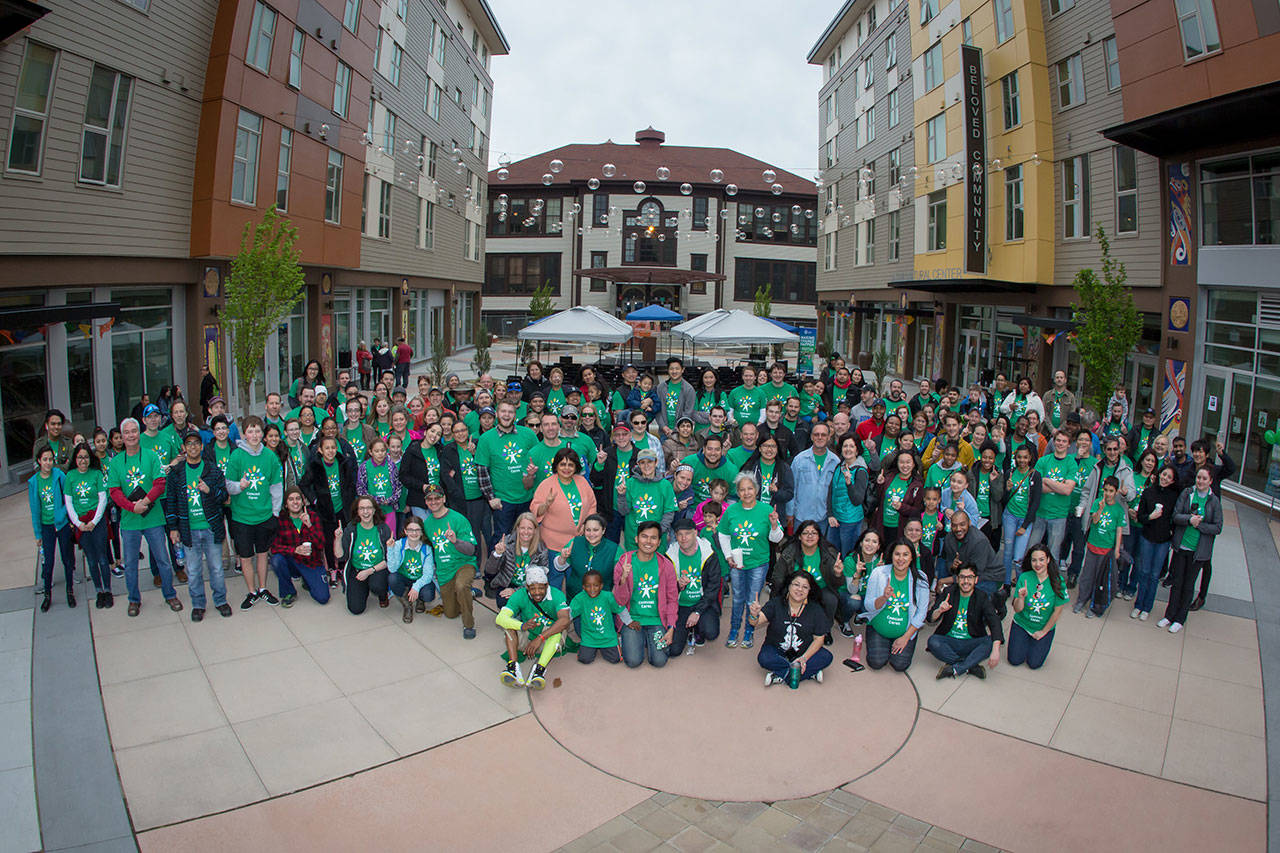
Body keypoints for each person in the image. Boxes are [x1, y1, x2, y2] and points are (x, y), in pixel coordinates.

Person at [108, 418, 180, 617]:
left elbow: (159, 483)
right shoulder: (115, 462)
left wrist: (145, 503)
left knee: (163, 560)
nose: (131, 435)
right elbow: (114, 491)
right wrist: (132, 506)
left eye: (134, 431)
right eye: (127, 432)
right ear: (121, 437)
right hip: (130, 521)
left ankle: (170, 594)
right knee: (131, 564)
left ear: (139, 433)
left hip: (153, 518)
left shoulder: (151, 456)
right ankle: (133, 599)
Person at [163, 432, 231, 620]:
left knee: (216, 568)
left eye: (196, 444)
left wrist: (209, 491)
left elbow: (224, 496)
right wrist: (173, 528)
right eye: (189, 444)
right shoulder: (177, 473)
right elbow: (171, 502)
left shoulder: (213, 470)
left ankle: (220, 601)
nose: (193, 447)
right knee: (193, 571)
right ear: (184, 448)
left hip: (211, 528)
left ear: (202, 447)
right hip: (189, 530)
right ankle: (199, 604)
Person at [719, 472, 785, 648]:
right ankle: (734, 630)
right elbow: (723, 534)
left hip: (758, 562)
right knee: (737, 597)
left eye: (750, 489)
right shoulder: (732, 510)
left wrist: (773, 524)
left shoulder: (767, 510)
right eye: (742, 490)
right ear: (737, 492)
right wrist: (728, 556)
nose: (746, 493)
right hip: (737, 564)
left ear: (756, 490)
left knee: (752, 600)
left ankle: (749, 631)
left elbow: (777, 538)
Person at [225, 416, 284, 609]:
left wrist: (275, 512)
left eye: (258, 431)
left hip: (264, 516)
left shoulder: (270, 456)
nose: (254, 435)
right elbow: (228, 485)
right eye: (250, 431)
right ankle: (251, 591)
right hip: (242, 517)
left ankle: (262, 588)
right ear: (244, 434)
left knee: (262, 554)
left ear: (263, 434)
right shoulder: (236, 456)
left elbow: (276, 486)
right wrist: (239, 486)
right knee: (245, 556)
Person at [1159, 467, 1222, 634]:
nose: (1200, 481)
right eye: (1198, 478)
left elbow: (1217, 527)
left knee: (1188, 585)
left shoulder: (1214, 501)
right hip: (1182, 546)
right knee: (1176, 582)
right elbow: (1176, 515)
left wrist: (1200, 525)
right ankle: (1169, 615)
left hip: (1198, 552)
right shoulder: (1187, 494)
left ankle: (1180, 618)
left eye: (1204, 478)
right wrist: (1189, 520)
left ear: (1210, 481)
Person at [612, 520, 680, 668]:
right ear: (636, 539)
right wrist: (623, 579)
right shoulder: (624, 562)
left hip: (656, 619)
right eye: (644, 536)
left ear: (659, 542)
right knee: (633, 661)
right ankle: (631, 638)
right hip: (632, 619)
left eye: (653, 537)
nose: (648, 541)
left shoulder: (666, 565)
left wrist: (671, 627)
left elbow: (672, 600)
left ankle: (643, 639)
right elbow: (618, 601)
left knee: (659, 661)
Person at [749, 571, 833, 687]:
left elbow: (819, 639)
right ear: (789, 585)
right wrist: (753, 614)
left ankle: (780, 675)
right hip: (777, 650)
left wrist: (803, 658)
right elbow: (755, 622)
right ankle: (805, 673)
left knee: (826, 657)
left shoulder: (815, 609)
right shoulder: (776, 603)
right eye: (796, 585)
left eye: (805, 587)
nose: (800, 590)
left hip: (804, 651)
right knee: (764, 658)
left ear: (809, 590)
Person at [496, 565, 570, 688]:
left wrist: (540, 638)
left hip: (548, 640)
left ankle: (539, 671)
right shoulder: (520, 594)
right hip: (528, 636)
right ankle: (513, 668)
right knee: (508, 626)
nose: (537, 593)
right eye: (532, 589)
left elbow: (564, 620)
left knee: (558, 630)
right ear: (527, 587)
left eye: (541, 588)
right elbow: (500, 618)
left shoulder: (557, 595)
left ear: (547, 585)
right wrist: (522, 625)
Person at [421, 483, 480, 638]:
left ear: (444, 498)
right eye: (429, 499)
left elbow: (472, 550)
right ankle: (469, 593)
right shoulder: (427, 524)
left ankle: (469, 625)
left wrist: (455, 541)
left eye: (437, 498)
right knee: (451, 613)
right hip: (444, 570)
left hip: (463, 563)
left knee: (461, 586)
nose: (433, 501)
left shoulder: (458, 519)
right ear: (426, 502)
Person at [862, 540, 930, 672]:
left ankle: (900, 641)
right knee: (876, 663)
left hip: (905, 631)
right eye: (897, 554)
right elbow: (868, 605)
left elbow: (921, 613)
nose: (900, 559)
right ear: (891, 556)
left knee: (900, 665)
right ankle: (880, 639)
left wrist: (905, 638)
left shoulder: (921, 578)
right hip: (879, 628)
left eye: (905, 555)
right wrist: (883, 598)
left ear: (911, 558)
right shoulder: (879, 573)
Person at [926, 563, 1003, 679]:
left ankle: (956, 668)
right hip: (949, 640)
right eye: (962, 577)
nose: (965, 581)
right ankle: (969, 665)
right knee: (933, 641)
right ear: (957, 579)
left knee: (990, 642)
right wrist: (939, 611)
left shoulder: (981, 596)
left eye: (970, 577)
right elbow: (930, 618)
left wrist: (996, 650)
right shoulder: (948, 592)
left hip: (971, 641)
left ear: (976, 580)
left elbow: (994, 621)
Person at [475, 400, 539, 541]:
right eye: (503, 411)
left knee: (527, 537)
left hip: (527, 498)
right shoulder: (486, 439)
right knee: (502, 538)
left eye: (510, 412)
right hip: (503, 501)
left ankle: (524, 564)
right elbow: (482, 471)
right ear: (497, 414)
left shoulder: (528, 434)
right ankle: (497, 563)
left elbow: (537, 461)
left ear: (515, 415)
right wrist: (491, 497)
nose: (506, 415)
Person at [299, 436, 357, 587]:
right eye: (327, 448)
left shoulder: (344, 463)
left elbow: (351, 483)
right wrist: (315, 500)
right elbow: (304, 484)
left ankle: (344, 567)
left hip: (342, 509)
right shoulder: (315, 466)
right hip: (325, 510)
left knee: (344, 538)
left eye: (333, 447)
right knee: (328, 540)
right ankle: (332, 569)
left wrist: (349, 499)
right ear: (320, 450)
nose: (330, 451)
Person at [771, 520, 848, 630]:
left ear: (819, 536)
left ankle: (824, 630)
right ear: (799, 537)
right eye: (805, 533)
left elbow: (838, 584)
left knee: (831, 599)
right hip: (796, 588)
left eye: (814, 533)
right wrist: (779, 595)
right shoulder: (789, 552)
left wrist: (837, 573)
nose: (810, 536)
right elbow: (778, 577)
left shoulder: (828, 553)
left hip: (820, 588)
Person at [64, 443, 112, 607]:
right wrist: (78, 524)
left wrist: (93, 522)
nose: (82, 460)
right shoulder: (70, 476)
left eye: (85, 457)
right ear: (75, 459)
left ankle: (108, 591)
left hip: (96, 522)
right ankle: (99, 591)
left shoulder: (97, 474)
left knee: (103, 559)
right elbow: (68, 503)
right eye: (79, 457)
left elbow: (102, 499)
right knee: (91, 560)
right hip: (81, 524)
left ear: (90, 458)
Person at [1007, 544, 1069, 669]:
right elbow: (1017, 609)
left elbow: (1057, 612)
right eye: (1034, 560)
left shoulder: (1058, 581)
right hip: (1022, 624)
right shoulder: (1024, 577)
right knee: (1014, 660)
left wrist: (1043, 632)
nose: (1037, 564)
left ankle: (1035, 642)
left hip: (1043, 627)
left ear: (1048, 560)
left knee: (1034, 664)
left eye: (1041, 559)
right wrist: (1021, 597)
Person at [666, 518, 722, 655]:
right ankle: (687, 630)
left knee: (711, 632)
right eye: (679, 534)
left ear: (695, 533)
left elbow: (713, 587)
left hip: (703, 603)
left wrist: (697, 612)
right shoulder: (669, 556)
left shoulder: (709, 554)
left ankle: (697, 629)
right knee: (673, 651)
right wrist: (677, 586)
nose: (683, 538)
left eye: (688, 533)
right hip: (680, 605)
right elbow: (664, 587)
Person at [268, 487, 331, 608]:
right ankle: (289, 592)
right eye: (291, 499)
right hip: (292, 560)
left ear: (303, 502)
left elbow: (321, 544)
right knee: (276, 560)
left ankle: (307, 580)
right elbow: (274, 547)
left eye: (298, 499)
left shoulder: (312, 517)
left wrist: (309, 525)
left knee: (323, 598)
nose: (295, 502)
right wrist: (294, 550)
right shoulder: (281, 519)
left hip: (311, 562)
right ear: (286, 504)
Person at [30, 446, 75, 612]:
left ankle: (69, 591)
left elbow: (68, 499)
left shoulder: (59, 476)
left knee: (67, 559)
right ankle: (47, 595)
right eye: (45, 459)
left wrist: (63, 516)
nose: (48, 463)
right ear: (39, 461)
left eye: (50, 459)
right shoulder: (34, 482)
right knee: (48, 562)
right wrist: (37, 533)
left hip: (61, 524)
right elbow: (35, 509)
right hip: (46, 526)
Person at [1133, 464, 1180, 621]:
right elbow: (1140, 516)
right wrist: (1150, 517)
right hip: (1147, 537)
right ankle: (1138, 605)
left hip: (1163, 541)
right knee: (1144, 571)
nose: (1165, 478)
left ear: (1173, 481)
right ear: (1159, 474)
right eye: (1163, 474)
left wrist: (1172, 533)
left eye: (1169, 477)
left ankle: (1147, 607)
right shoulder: (1148, 492)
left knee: (1154, 575)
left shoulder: (1174, 497)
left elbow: (1175, 519)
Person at [532, 447, 597, 555]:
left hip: (579, 541)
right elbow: (535, 511)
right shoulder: (546, 484)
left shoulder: (582, 482)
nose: (566, 468)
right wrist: (546, 504)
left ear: (576, 467)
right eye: (562, 464)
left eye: (570, 465)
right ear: (556, 466)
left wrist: (586, 524)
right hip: (553, 545)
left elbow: (592, 505)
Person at [338, 495, 392, 614]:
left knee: (377, 585)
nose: (365, 512)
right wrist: (337, 539)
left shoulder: (383, 529)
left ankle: (383, 595)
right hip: (357, 571)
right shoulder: (351, 529)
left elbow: (389, 559)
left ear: (374, 510)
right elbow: (340, 556)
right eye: (362, 508)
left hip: (377, 569)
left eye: (369, 508)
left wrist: (369, 571)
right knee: (356, 609)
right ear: (357, 511)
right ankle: (363, 588)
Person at [616, 448, 676, 551]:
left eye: (650, 462)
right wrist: (621, 496)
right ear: (638, 464)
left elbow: (669, 512)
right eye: (642, 462)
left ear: (656, 462)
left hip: (656, 539)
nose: (646, 465)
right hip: (634, 537)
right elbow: (623, 511)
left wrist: (658, 532)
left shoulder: (665, 485)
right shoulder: (630, 483)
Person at [555, 513, 619, 602]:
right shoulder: (575, 542)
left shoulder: (614, 549)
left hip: (602, 602)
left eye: (595, 530)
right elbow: (559, 567)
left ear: (603, 530)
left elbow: (620, 578)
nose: (591, 534)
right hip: (575, 599)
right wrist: (563, 557)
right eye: (588, 530)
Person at [486, 512, 549, 602]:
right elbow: (490, 570)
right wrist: (497, 554)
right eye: (522, 528)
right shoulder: (507, 543)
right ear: (517, 528)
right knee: (503, 600)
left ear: (535, 530)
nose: (526, 532)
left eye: (530, 528)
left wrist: (516, 591)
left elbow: (541, 579)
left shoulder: (541, 550)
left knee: (528, 602)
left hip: (530, 587)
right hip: (507, 583)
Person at [1002, 446, 1042, 584]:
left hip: (1024, 519)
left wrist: (1025, 525)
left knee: (1018, 558)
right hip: (1010, 516)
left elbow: (1036, 502)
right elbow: (1004, 498)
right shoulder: (1010, 473)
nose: (1022, 460)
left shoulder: (1035, 476)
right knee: (1007, 553)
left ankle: (1021, 584)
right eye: (1019, 457)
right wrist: (1007, 489)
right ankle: (1006, 584)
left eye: (1025, 457)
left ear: (1030, 458)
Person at [569, 569, 627, 664]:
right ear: (583, 587)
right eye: (588, 586)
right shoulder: (579, 598)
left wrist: (629, 622)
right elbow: (569, 614)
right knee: (584, 659)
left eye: (596, 585)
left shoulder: (608, 596)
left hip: (607, 637)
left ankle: (616, 642)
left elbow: (619, 609)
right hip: (589, 637)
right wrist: (559, 622)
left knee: (615, 659)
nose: (592, 589)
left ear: (601, 586)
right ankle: (589, 648)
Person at [387, 515, 436, 623]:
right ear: (405, 531)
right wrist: (390, 549)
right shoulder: (399, 545)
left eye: (417, 530)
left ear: (422, 532)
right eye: (410, 530)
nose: (414, 533)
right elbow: (392, 568)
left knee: (429, 594)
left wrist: (416, 587)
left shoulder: (426, 548)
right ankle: (407, 605)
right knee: (392, 578)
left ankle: (420, 599)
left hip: (420, 579)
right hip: (404, 577)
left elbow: (428, 574)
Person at [787, 422, 838, 527]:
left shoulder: (835, 461)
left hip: (824, 518)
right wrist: (790, 513)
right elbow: (792, 488)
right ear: (811, 437)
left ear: (829, 437)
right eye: (816, 434)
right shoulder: (799, 460)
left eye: (823, 435)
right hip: (801, 517)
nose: (820, 437)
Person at [874, 450, 924, 545]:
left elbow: (917, 511)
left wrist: (902, 507)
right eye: (901, 462)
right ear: (897, 463)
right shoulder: (889, 476)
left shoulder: (917, 484)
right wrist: (880, 484)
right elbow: (879, 498)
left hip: (900, 527)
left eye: (908, 462)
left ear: (913, 464)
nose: (905, 465)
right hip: (882, 523)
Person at [655, 357, 696, 440]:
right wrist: (663, 426)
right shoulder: (661, 388)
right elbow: (657, 410)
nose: (674, 371)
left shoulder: (689, 389)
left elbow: (688, 412)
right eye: (671, 369)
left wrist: (676, 429)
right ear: (668, 370)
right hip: (664, 432)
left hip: (681, 433)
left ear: (682, 370)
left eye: (677, 369)